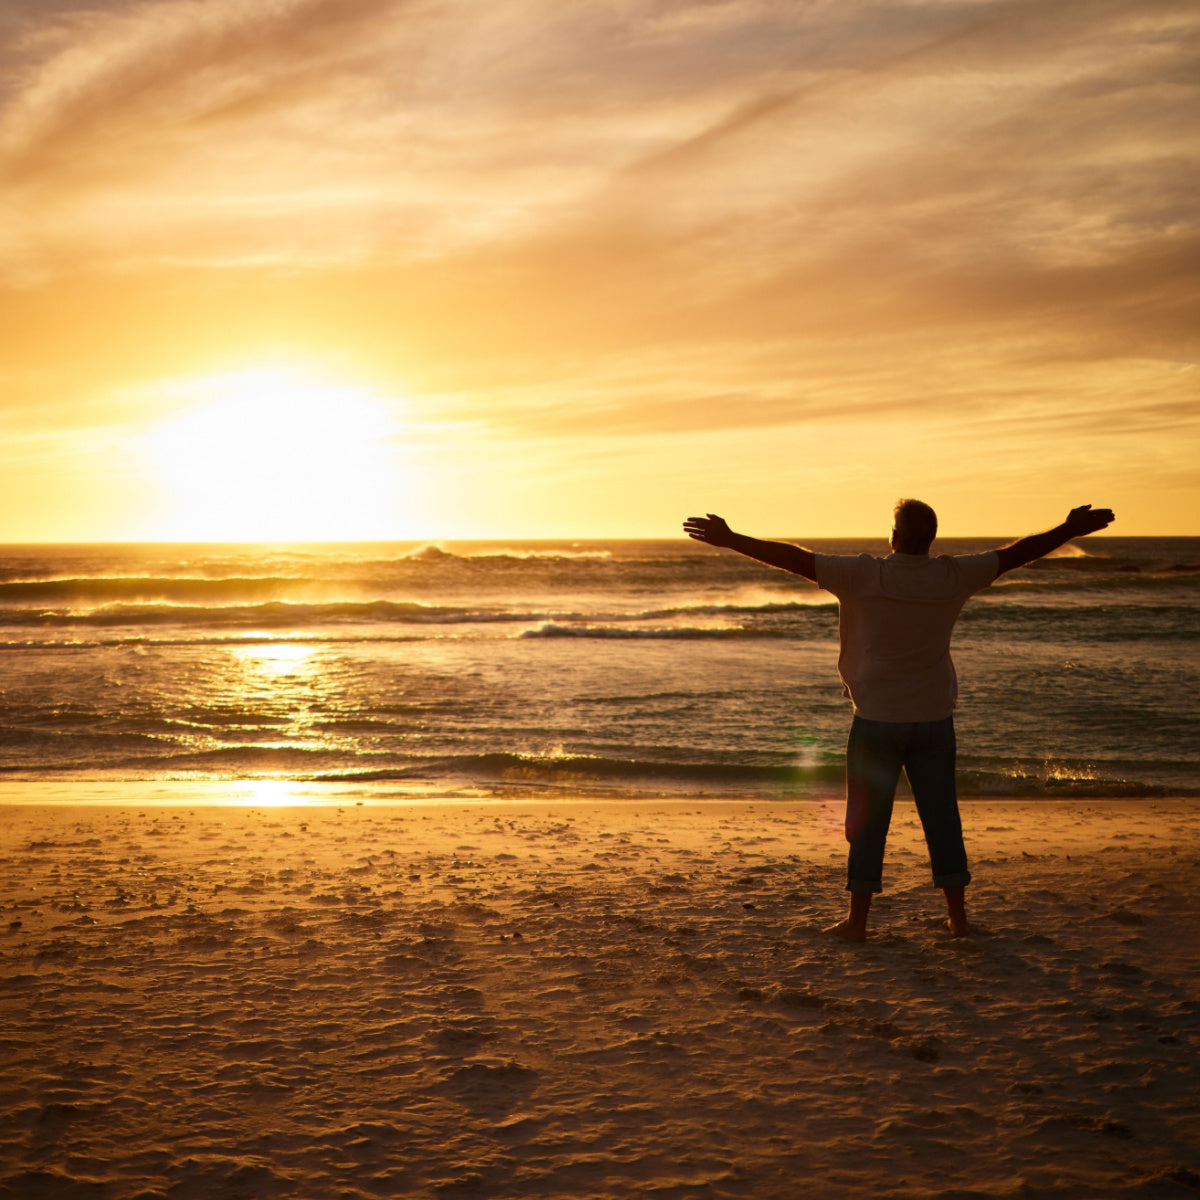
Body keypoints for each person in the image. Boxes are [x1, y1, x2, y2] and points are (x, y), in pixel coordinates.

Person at [683, 499, 1115, 941]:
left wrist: (731, 539)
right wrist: (1067, 529)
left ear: (894, 537)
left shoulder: (864, 574)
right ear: (931, 539)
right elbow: (1018, 554)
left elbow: (794, 559)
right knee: (943, 819)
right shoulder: (953, 576)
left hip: (876, 720)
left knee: (868, 823)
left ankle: (857, 922)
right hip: (933, 719)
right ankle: (958, 920)